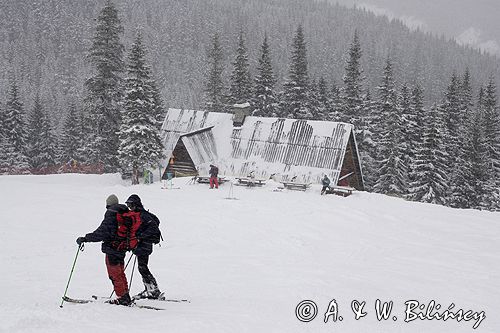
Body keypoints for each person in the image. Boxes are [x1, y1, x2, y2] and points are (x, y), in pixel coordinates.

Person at [76, 194, 132, 306]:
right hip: (122, 247)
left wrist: (86, 238)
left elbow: (102, 232)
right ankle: (125, 295)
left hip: (112, 248)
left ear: (108, 204)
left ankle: (122, 297)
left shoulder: (111, 214)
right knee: (120, 272)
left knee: (114, 274)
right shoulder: (125, 213)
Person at [125, 194, 163, 300]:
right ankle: (151, 289)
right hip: (142, 244)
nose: (130, 208)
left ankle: (153, 290)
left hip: (144, 244)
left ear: (136, 204)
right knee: (142, 267)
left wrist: (140, 236)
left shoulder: (143, 215)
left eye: (131, 205)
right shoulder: (139, 214)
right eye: (128, 206)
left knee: (142, 267)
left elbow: (153, 228)